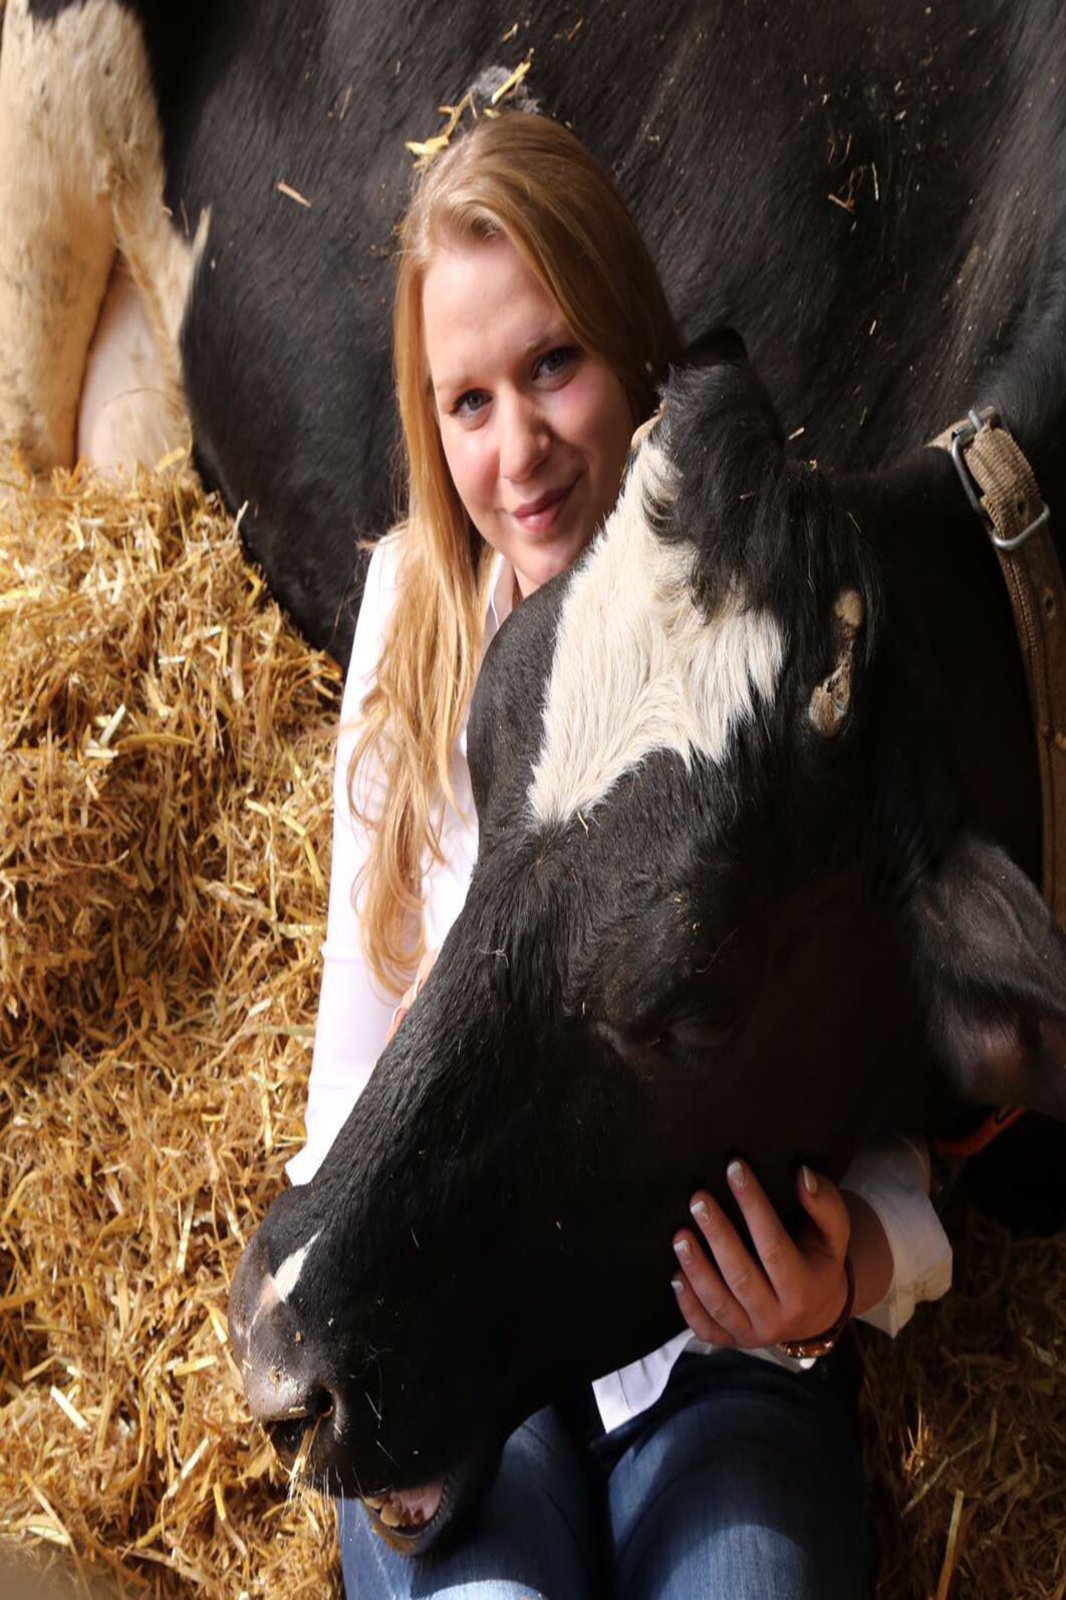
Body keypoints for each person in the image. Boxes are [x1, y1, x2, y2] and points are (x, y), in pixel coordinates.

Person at [285, 111, 952, 1599]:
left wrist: (845, 1272)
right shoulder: (410, 624)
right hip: (456, 1324)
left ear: (636, 351)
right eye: (464, 401)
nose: (514, 450)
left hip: (714, 1366)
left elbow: (861, 1076)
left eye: (551, 366)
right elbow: (354, 1099)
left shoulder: (761, 611)